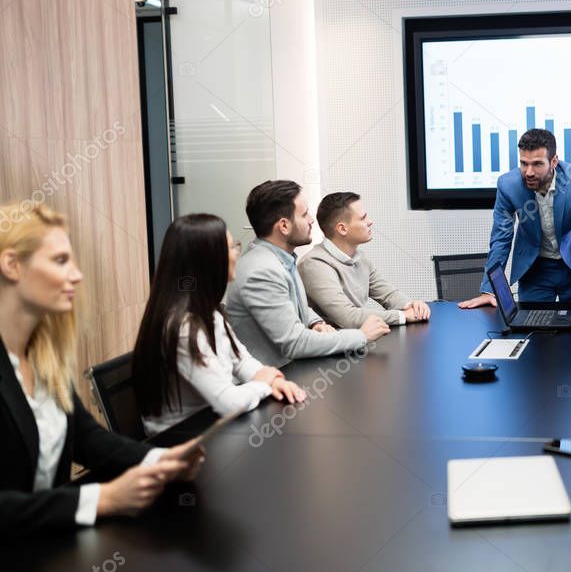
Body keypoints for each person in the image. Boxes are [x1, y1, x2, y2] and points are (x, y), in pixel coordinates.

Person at [0, 203, 203, 537]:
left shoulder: (43, 355)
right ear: (11, 265)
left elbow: (86, 439)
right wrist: (101, 499)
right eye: (60, 261)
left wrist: (159, 461)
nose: (76, 275)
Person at [133, 214, 307, 435]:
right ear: (208, 262)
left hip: (212, 428)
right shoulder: (183, 327)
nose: (237, 253)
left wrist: (272, 379)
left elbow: (241, 361)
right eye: (231, 247)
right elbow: (228, 403)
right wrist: (264, 385)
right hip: (182, 443)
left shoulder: (209, 313)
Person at [225, 180, 390, 367]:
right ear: (284, 226)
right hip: (273, 380)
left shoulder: (280, 256)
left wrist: (314, 322)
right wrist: (361, 335)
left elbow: (288, 304)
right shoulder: (261, 271)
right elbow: (295, 343)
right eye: (304, 215)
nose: (312, 220)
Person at [458, 129, 571, 309]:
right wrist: (488, 290)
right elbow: (501, 238)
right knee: (532, 327)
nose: (528, 172)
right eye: (524, 163)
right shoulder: (508, 185)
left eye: (537, 164)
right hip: (535, 268)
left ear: (554, 161)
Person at [299, 193, 430, 329]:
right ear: (342, 229)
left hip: (358, 340)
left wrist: (410, 305)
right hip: (333, 347)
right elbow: (348, 317)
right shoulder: (314, 264)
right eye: (363, 218)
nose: (370, 222)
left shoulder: (360, 257)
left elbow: (387, 293)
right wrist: (402, 316)